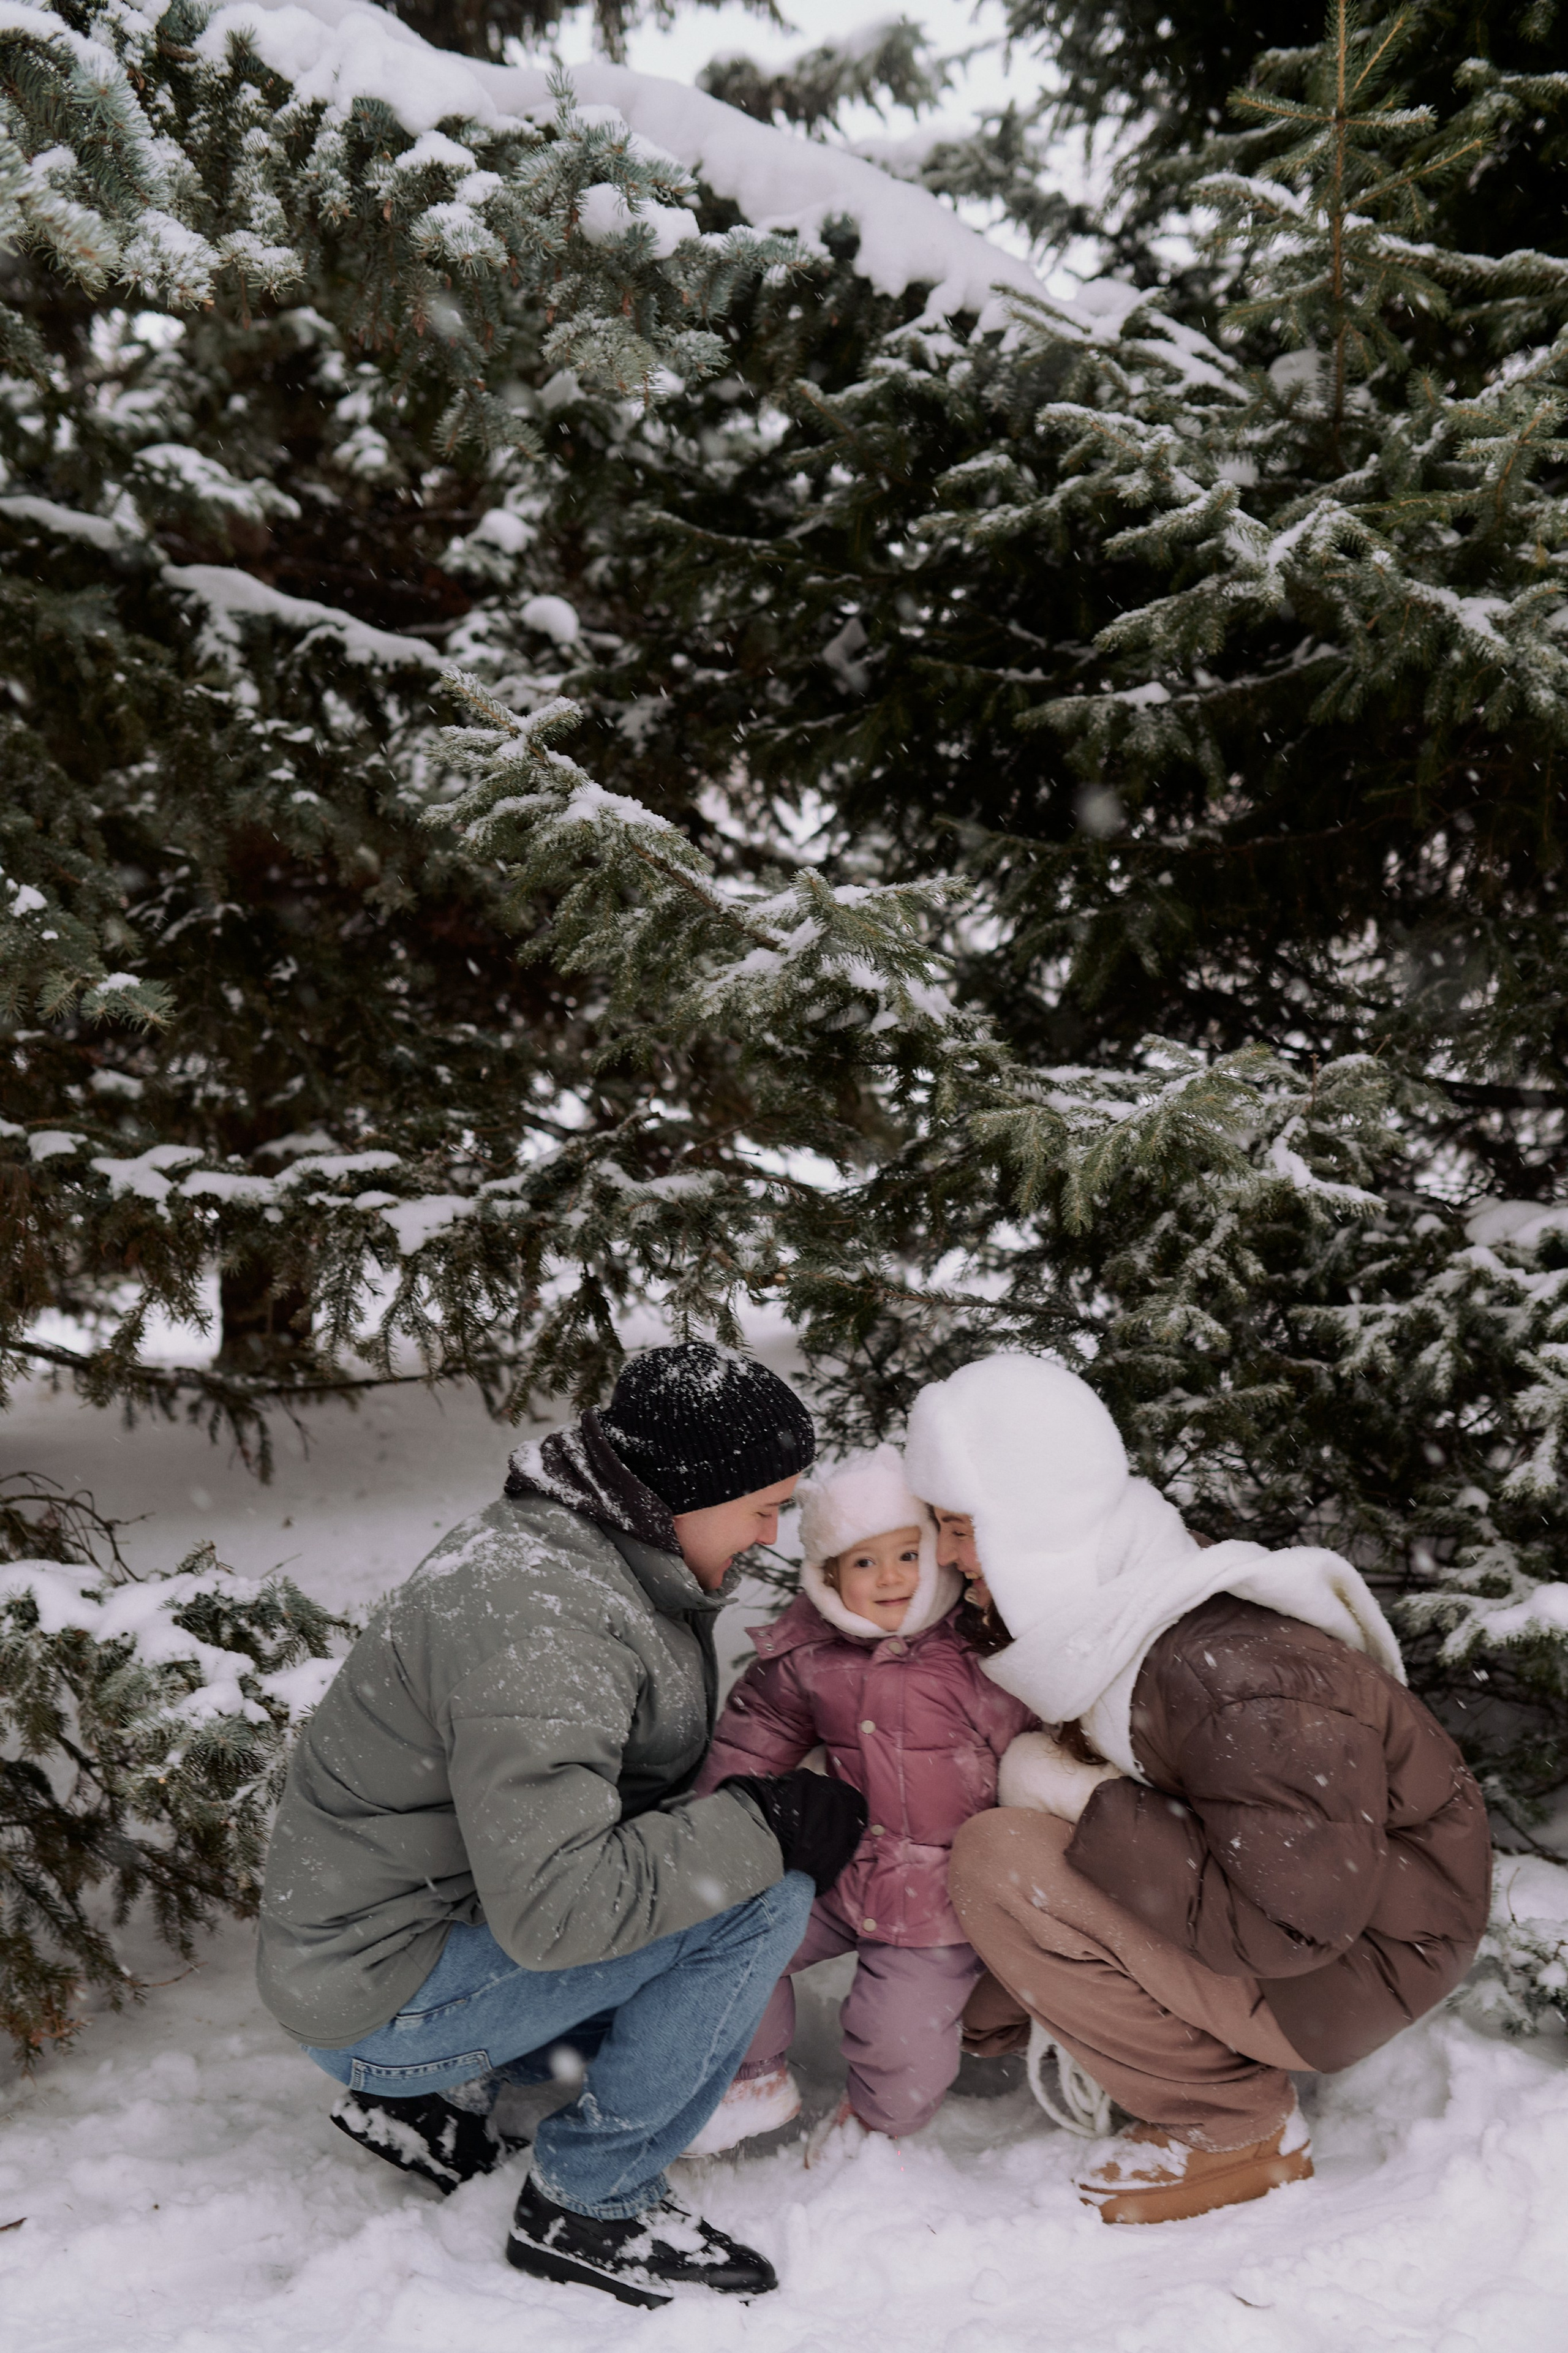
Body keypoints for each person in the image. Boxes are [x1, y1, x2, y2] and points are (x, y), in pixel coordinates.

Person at [255, 1341, 866, 2308]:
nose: (772, 1532)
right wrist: (761, 1826)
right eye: (763, 1504)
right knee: (755, 1898)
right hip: (383, 1994)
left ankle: (433, 2095)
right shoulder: (544, 1626)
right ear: (686, 1494)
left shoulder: (582, 1555)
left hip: (375, 1948)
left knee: (693, 1874)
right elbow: (557, 1910)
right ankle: (592, 2202)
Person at [904, 1353, 1492, 2227]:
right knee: (1022, 1832)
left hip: (1366, 1959)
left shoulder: (1233, 1677)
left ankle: (1235, 2123)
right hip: (1349, 1923)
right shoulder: (1133, 1616)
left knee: (1002, 1858)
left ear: (1030, 1521)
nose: (948, 1556)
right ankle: (1192, 2067)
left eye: (960, 1525)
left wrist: (1081, 1798)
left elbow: (1288, 1925)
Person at [689, 1445, 1036, 2152]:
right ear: (827, 1574)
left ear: (938, 1555)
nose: (889, 1578)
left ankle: (879, 2128)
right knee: (733, 1943)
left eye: (907, 1554)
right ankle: (752, 2075)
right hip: (843, 1867)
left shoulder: (976, 1655)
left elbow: (1032, 1751)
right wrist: (711, 1825)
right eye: (863, 1562)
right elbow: (755, 1738)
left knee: (895, 2029)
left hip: (944, 1890)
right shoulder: (811, 1653)